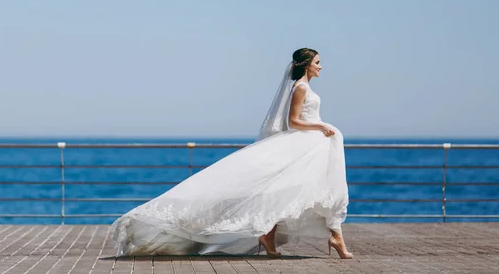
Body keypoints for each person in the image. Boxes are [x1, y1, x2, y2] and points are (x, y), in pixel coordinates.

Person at [111, 48, 353, 258]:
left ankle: (280, 236)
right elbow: (293, 122)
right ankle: (329, 238)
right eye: (317, 62)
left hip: (312, 145)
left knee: (298, 192)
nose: (321, 66)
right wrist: (320, 126)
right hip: (304, 143)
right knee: (289, 191)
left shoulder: (306, 88)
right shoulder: (300, 88)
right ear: (306, 65)